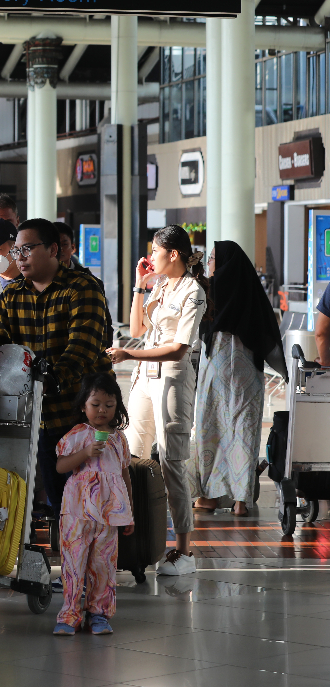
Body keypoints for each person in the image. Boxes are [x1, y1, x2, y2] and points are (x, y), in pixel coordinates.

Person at [0, 218, 113, 516]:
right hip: (39, 415)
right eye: (16, 251)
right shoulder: (11, 295)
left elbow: (82, 348)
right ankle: (65, 543)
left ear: (53, 249)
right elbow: (2, 349)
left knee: (93, 500)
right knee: (59, 502)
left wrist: (49, 381)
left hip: (82, 415)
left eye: (27, 249)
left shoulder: (82, 288)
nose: (19, 258)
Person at [107, 225, 207, 575]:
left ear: (173, 254)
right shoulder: (161, 285)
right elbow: (136, 330)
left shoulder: (193, 291)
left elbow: (179, 348)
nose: (150, 256)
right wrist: (140, 285)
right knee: (132, 457)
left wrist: (130, 355)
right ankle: (138, 538)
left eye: (155, 250)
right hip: (145, 378)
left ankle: (183, 550)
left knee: (171, 461)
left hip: (172, 379)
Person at [190, 241, 285, 517]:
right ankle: (241, 501)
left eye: (212, 258)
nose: (209, 262)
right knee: (243, 432)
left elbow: (196, 327)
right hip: (247, 374)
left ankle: (208, 496)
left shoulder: (208, 290)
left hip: (215, 369)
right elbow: (267, 334)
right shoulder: (250, 290)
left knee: (210, 430)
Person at [52, 372, 135, 637]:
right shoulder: (77, 435)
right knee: (73, 562)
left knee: (103, 564)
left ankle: (99, 614)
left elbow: (124, 476)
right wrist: (86, 453)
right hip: (77, 512)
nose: (102, 410)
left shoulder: (119, 439)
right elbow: (61, 466)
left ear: (117, 407)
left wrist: (129, 512)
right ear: (83, 406)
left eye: (109, 405)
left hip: (108, 514)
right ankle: (69, 615)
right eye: (95, 404)